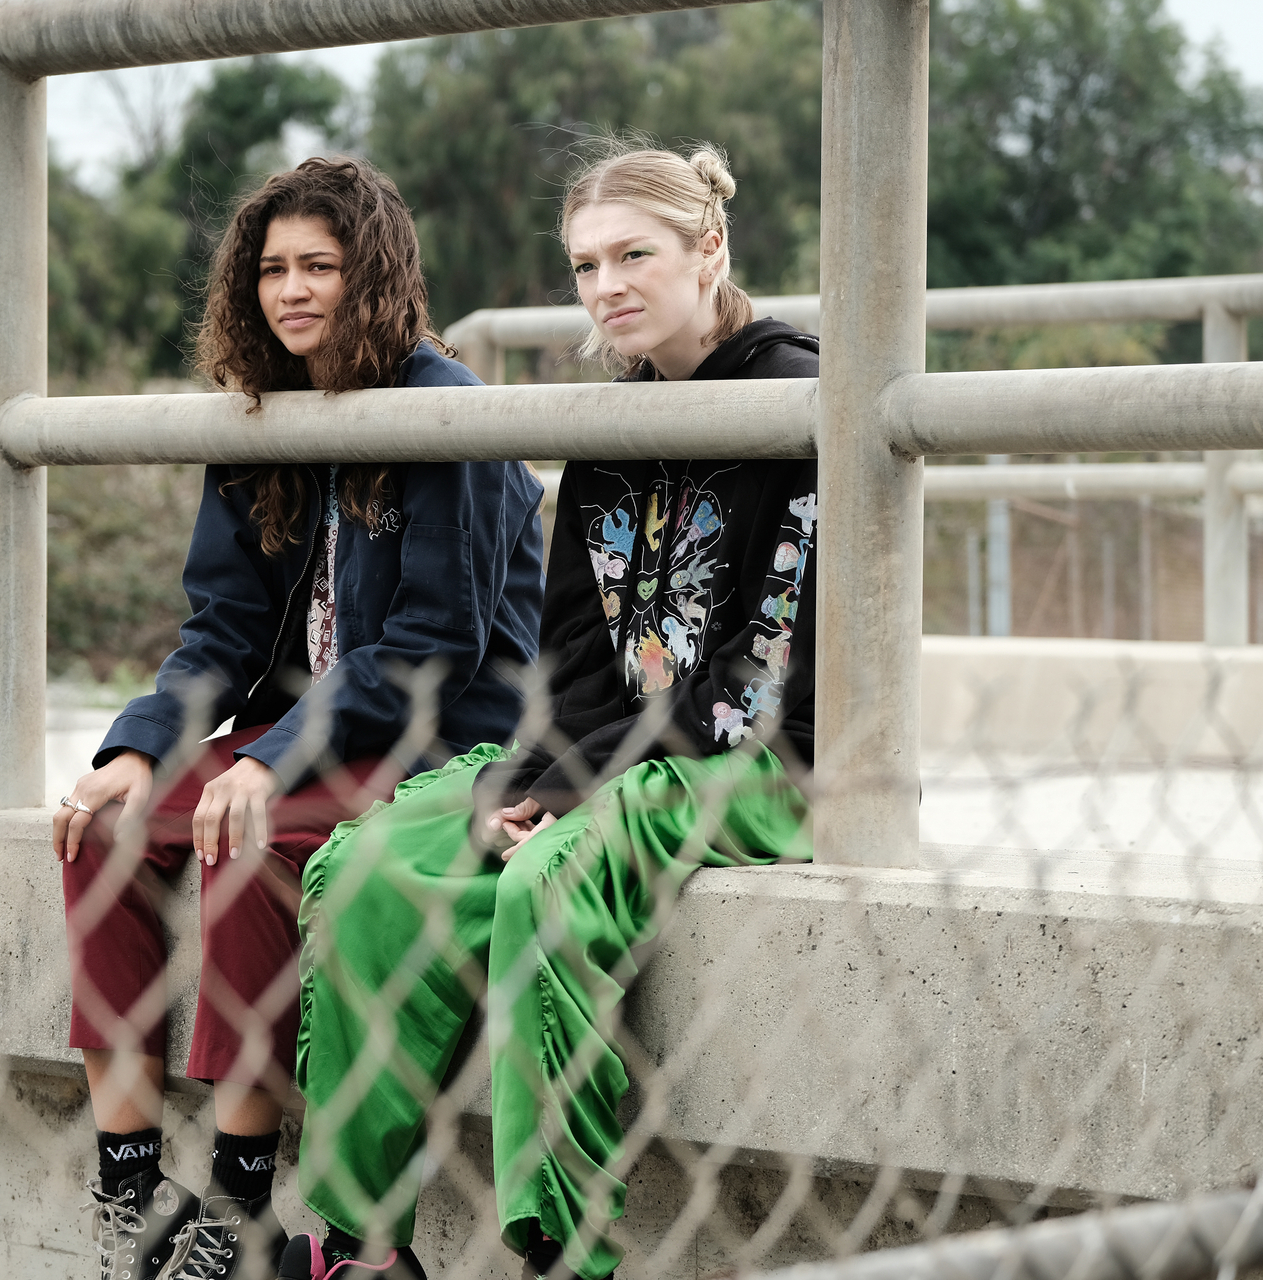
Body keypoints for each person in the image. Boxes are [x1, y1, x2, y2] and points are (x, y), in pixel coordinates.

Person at [282, 143, 818, 1280]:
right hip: (611, 753)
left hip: (760, 762)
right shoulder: (610, 424)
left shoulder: (795, 395)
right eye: (584, 265)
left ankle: (560, 1251)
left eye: (635, 255)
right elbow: (572, 652)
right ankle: (359, 1244)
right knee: (375, 863)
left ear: (709, 246)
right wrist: (525, 776)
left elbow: (760, 673)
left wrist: (576, 787)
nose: (606, 285)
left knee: (545, 881)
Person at [54, 155, 547, 1280]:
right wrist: (140, 748)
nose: (292, 289)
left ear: (371, 271)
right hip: (302, 736)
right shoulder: (261, 418)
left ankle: (238, 1201)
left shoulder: (442, 412)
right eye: (273, 268)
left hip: (438, 737)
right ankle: (130, 1180)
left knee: (248, 835)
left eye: (319, 265)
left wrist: (267, 762)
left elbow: (433, 648)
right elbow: (222, 627)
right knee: (99, 828)